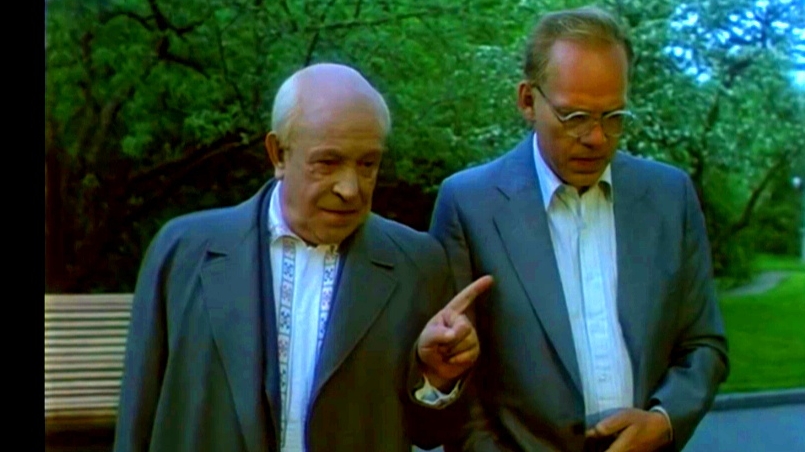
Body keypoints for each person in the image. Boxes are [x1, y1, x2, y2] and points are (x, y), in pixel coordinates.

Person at [113, 62, 493, 452]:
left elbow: (435, 434)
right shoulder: (185, 252)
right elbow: (138, 415)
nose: (350, 188)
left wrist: (436, 377)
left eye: (368, 165)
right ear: (278, 153)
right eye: (327, 163)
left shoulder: (417, 263)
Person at [429, 6, 729, 452]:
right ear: (528, 101)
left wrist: (663, 421)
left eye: (614, 117)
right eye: (574, 118)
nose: (596, 138)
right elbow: (457, 381)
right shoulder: (468, 204)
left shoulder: (670, 197)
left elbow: (704, 344)